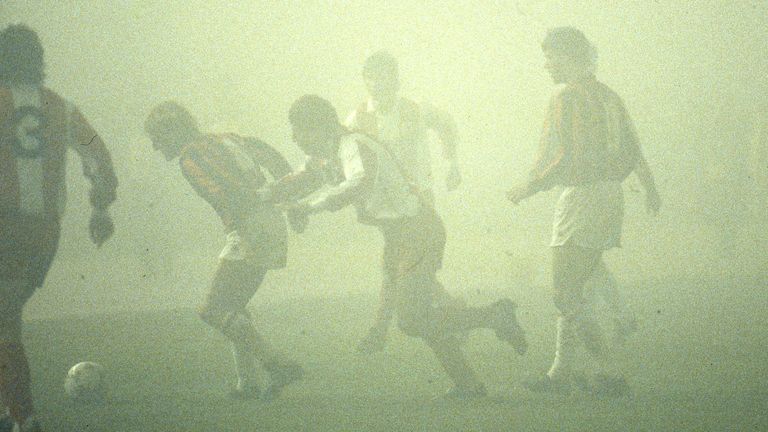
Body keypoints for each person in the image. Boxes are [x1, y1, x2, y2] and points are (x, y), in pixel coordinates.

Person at [268, 94, 527, 399]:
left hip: (417, 230)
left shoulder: (353, 146)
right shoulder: (330, 153)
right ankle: (468, 383)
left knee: (411, 318)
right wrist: (261, 197)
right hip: (400, 234)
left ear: (322, 127)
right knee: (421, 315)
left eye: (299, 130)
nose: (294, 138)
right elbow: (298, 180)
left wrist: (308, 208)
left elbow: (358, 183)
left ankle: (493, 316)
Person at [507, 27, 661, 396]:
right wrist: (650, 187)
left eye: (550, 57)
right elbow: (633, 145)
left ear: (569, 55)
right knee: (584, 279)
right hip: (608, 196)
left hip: (583, 196)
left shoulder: (567, 98)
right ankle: (561, 371)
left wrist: (529, 187)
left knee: (565, 291)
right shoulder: (609, 95)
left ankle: (609, 371)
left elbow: (562, 156)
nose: (546, 65)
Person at [0, 25, 118, 432]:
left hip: (3, 225)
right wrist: (100, 210)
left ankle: (24, 417)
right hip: (43, 233)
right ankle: (11, 409)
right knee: (7, 316)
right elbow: (99, 160)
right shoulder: (62, 108)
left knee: (5, 320)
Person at [144, 101, 303, 401]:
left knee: (212, 309)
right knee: (234, 306)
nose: (154, 145)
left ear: (173, 131)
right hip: (270, 221)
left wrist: (251, 211)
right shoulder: (227, 137)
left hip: (249, 228)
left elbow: (228, 194)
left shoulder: (190, 158)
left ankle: (276, 363)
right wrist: (290, 198)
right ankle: (248, 383)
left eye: (157, 137)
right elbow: (272, 157)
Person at [345, 51, 463, 354]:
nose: (376, 82)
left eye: (383, 75)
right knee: (403, 265)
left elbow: (447, 125)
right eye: (370, 76)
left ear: (395, 78)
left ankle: (379, 330)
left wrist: (452, 163)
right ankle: (455, 310)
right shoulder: (357, 117)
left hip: (416, 201)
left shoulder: (416, 109)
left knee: (396, 264)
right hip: (383, 207)